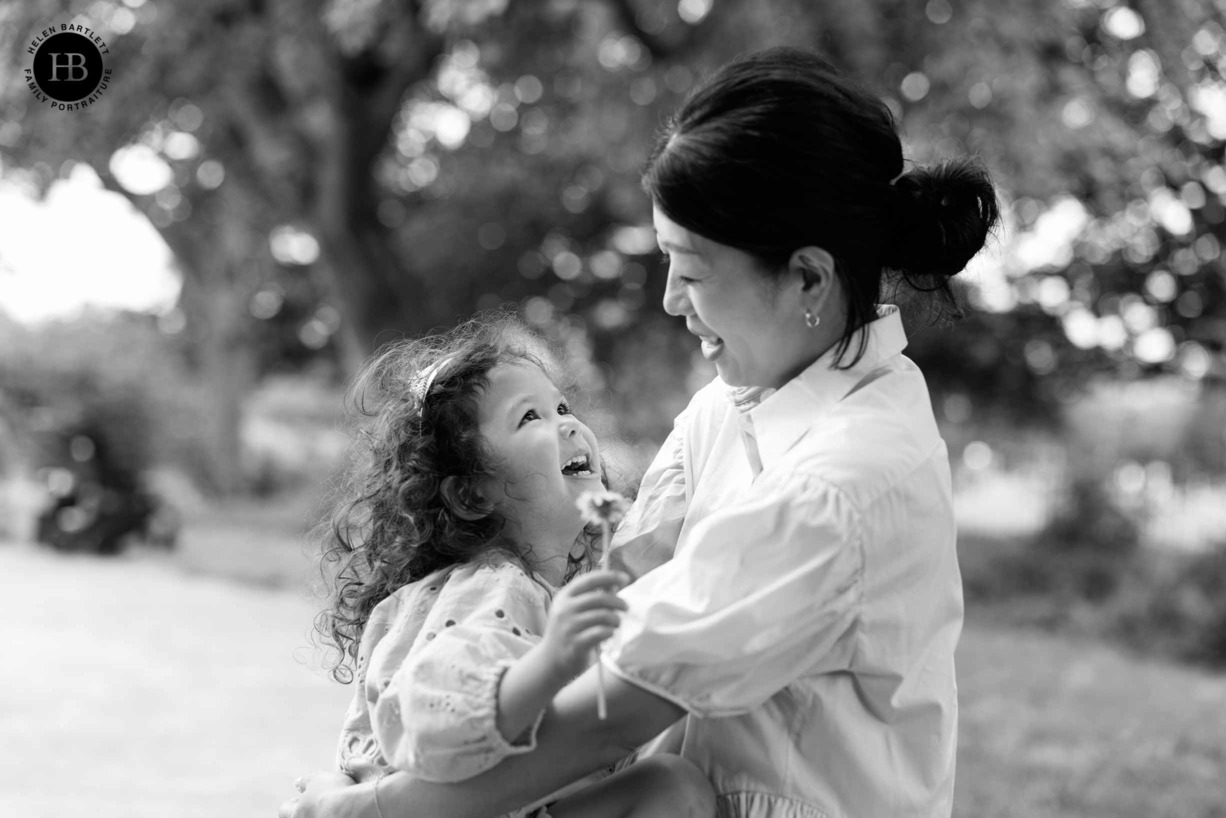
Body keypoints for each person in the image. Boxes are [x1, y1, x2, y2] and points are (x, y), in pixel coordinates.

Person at [283, 45, 1000, 818]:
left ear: (807, 278)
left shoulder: (842, 481)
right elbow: (606, 584)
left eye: (690, 271)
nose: (669, 300)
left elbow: (621, 706)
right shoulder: (729, 409)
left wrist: (382, 810)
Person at [306, 315, 715, 818]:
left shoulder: (549, 582)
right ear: (472, 493)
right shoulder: (490, 588)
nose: (567, 423)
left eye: (562, 407)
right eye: (530, 418)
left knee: (670, 786)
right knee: (672, 787)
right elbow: (432, 726)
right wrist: (552, 662)